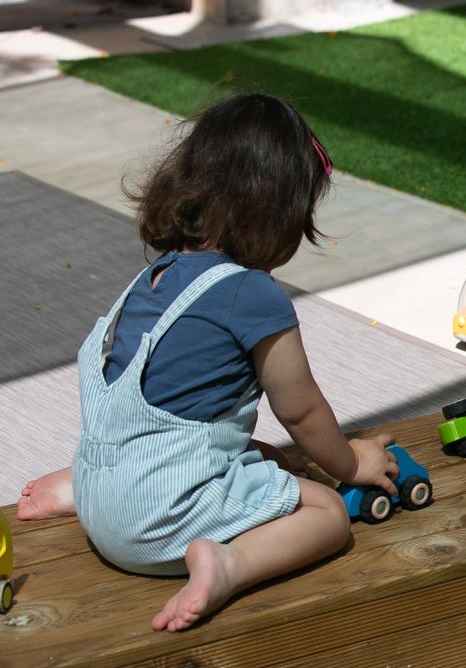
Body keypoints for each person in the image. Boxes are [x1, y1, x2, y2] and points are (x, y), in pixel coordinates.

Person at [17, 93, 398, 631]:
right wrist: (352, 464)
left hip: (104, 503)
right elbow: (303, 413)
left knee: (265, 456)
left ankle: (79, 488)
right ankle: (227, 565)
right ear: (280, 212)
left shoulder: (157, 278)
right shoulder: (252, 295)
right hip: (156, 528)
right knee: (327, 514)